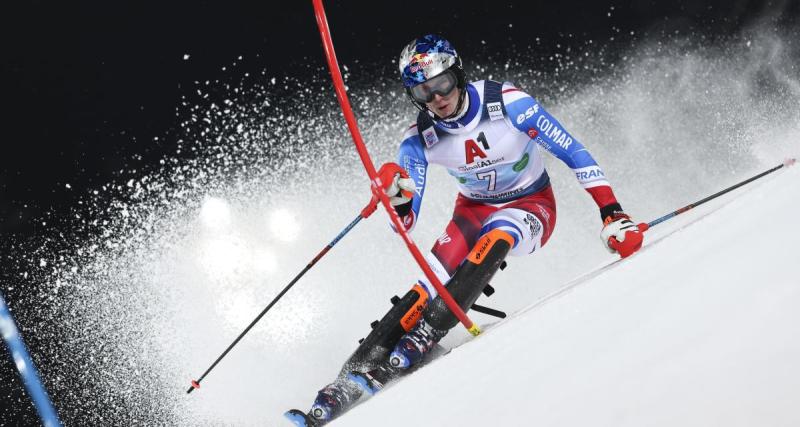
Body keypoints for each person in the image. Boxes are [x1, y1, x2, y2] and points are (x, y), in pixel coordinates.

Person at [285, 34, 644, 426]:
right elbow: (405, 221)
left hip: (531, 204)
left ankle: (428, 333)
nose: (437, 97)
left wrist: (612, 212)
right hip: (471, 211)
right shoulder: (418, 139)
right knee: (430, 279)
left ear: (457, 74)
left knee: (498, 234)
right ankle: (347, 378)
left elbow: (573, 151)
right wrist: (396, 195)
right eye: (423, 91)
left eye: (442, 84)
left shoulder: (508, 103)